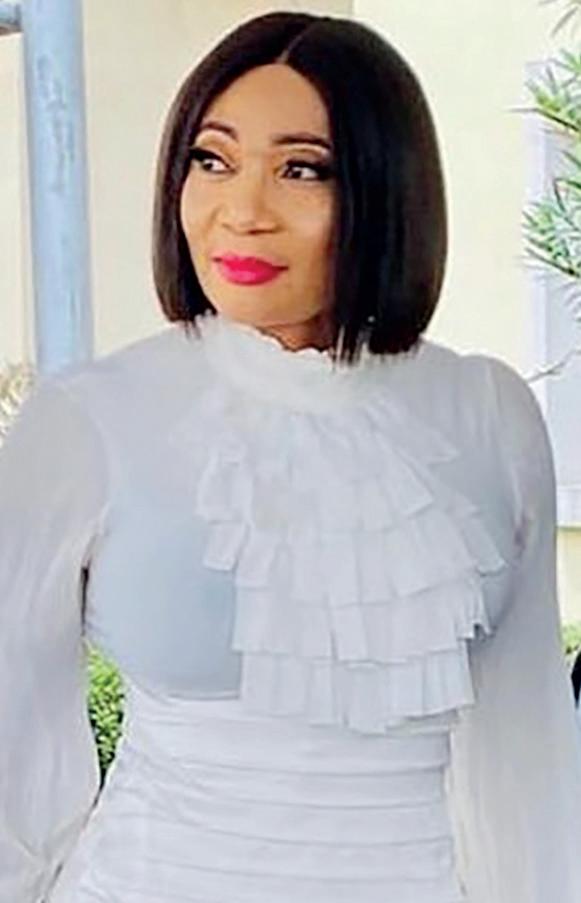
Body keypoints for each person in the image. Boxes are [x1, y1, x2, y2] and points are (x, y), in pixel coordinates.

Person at [1, 10, 581, 903]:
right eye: (211, 160)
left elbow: (524, 759)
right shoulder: (90, 419)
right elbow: (12, 750)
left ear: (386, 188)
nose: (242, 211)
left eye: (301, 169)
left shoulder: (488, 415)